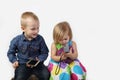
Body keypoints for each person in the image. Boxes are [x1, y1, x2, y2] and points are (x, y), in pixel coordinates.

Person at [7, 11, 50, 80]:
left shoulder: (40, 39)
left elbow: (45, 52)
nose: (36, 31)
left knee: (46, 75)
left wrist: (39, 59)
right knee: (19, 77)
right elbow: (10, 53)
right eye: (33, 29)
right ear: (23, 28)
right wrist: (14, 60)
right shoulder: (16, 40)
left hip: (37, 64)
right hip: (23, 64)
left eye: (38, 28)